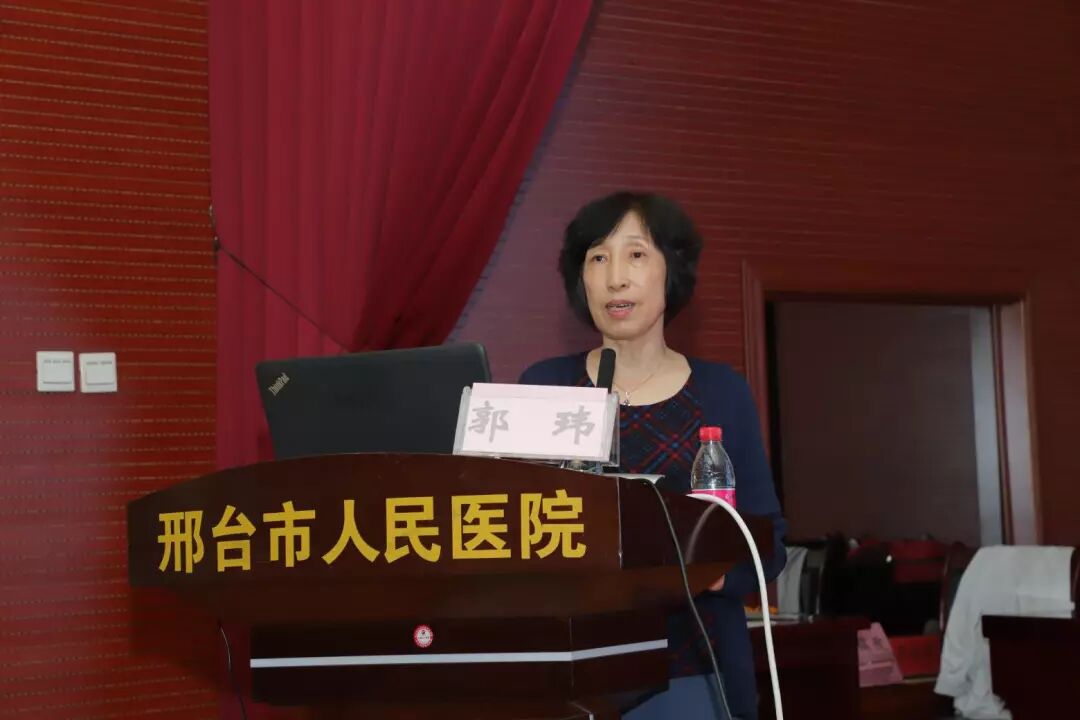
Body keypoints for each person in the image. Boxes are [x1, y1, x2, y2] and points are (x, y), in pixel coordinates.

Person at [519, 192, 787, 720]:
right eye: (598, 258)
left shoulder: (721, 392)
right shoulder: (544, 385)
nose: (616, 278)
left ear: (673, 271)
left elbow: (768, 543)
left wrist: (704, 573)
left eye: (636, 255)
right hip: (568, 671)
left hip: (691, 670)